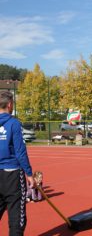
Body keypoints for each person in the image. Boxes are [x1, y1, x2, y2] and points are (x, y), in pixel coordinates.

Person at [0, 91, 34, 235]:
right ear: (9, 104)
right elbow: (20, 151)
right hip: (12, 174)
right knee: (16, 218)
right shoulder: (14, 123)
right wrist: (29, 173)